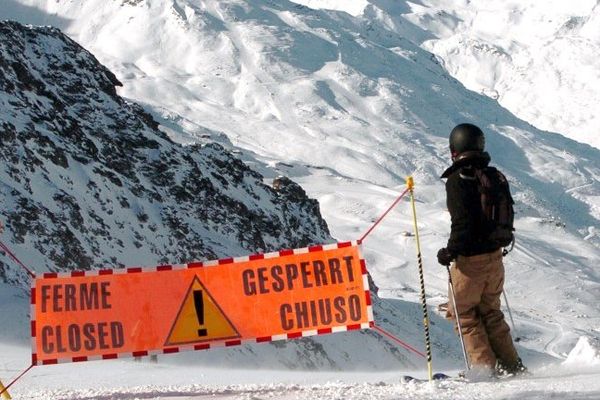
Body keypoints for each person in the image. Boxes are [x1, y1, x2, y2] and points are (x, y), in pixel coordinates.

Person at [437, 123, 526, 377]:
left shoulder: (458, 180)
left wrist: (449, 252)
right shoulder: (493, 176)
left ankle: (484, 370)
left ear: (455, 150)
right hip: (495, 258)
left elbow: (462, 223)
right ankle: (512, 365)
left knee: (463, 314)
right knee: (491, 312)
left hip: (470, 263)